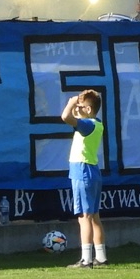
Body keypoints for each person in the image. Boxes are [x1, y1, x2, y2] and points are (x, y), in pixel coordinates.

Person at [61, 88, 107, 268]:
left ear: (88, 110)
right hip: (92, 170)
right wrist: (78, 106)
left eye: (81, 107)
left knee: (84, 217)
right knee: (94, 216)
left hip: (83, 171)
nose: (77, 109)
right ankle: (101, 257)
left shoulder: (87, 125)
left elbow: (66, 116)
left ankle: (86, 259)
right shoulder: (96, 123)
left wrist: (72, 102)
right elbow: (74, 117)